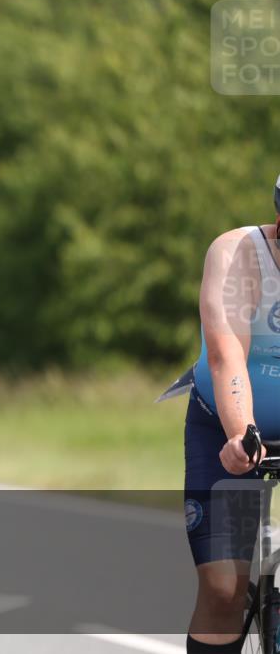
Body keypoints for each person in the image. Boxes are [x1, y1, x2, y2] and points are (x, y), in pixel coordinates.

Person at [168, 175, 280, 653]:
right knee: (223, 588)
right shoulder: (238, 254)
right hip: (230, 430)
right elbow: (227, 354)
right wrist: (242, 435)